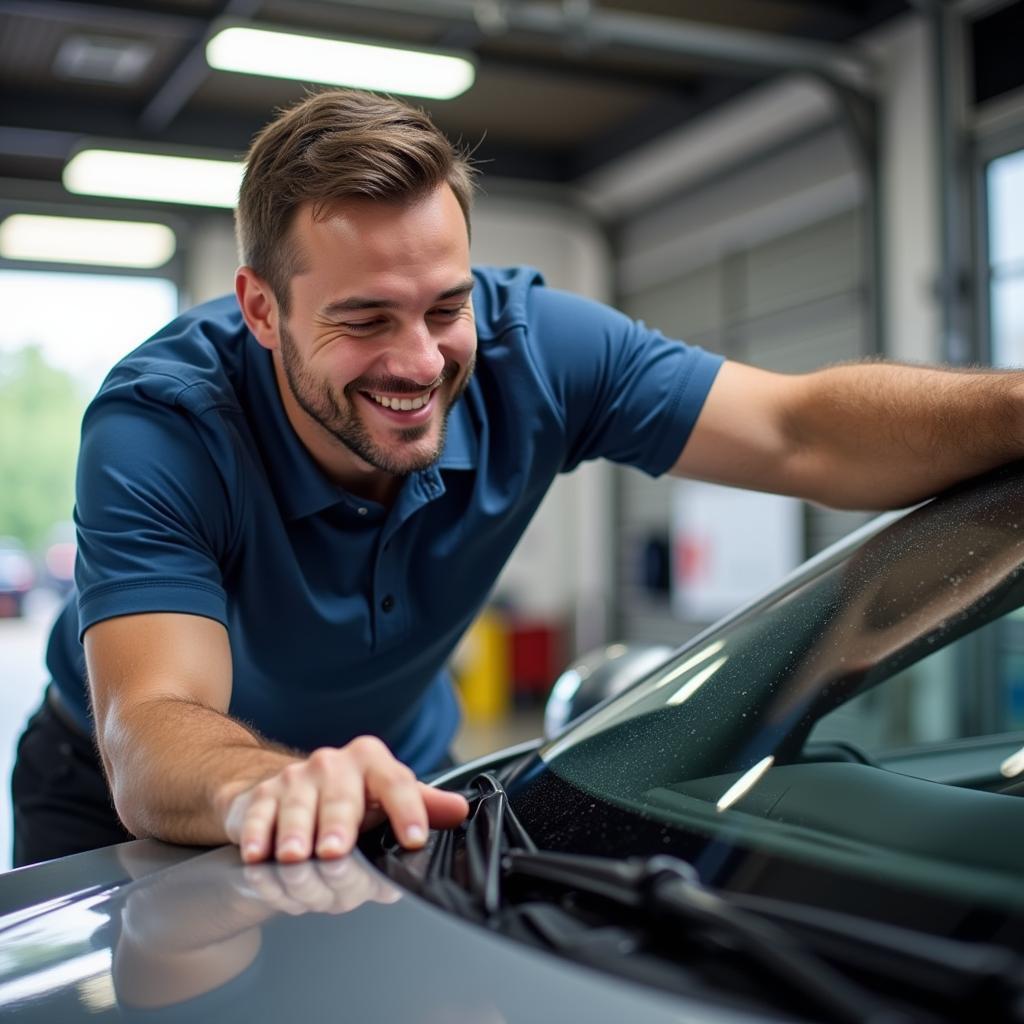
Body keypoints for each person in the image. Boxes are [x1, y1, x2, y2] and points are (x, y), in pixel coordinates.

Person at [11, 89, 1023, 869]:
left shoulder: (535, 348)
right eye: (365, 319)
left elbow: (804, 433)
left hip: (396, 774)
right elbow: (152, 722)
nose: (419, 361)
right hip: (122, 791)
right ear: (262, 310)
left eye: (445, 305)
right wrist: (267, 786)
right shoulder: (162, 426)